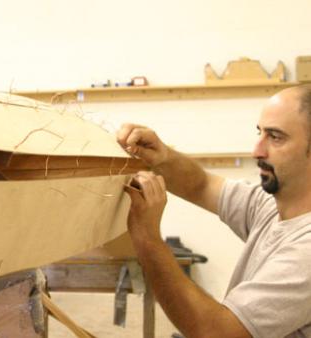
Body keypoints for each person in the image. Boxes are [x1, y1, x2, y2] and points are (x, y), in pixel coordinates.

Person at [116, 85, 311, 338]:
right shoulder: (269, 205)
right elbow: (202, 185)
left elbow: (215, 333)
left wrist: (147, 239)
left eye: (275, 137)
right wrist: (162, 156)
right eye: (260, 133)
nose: (257, 151)